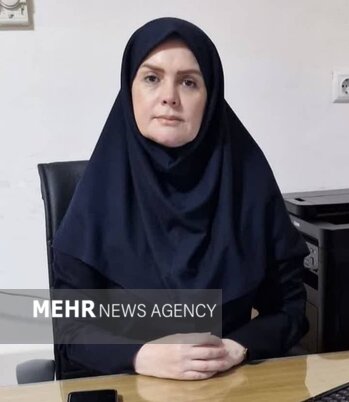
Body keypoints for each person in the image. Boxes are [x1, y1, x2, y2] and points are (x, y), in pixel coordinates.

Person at [52, 17, 309, 381]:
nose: (169, 96)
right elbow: (69, 328)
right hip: (128, 384)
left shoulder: (248, 180)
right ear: (129, 90)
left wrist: (238, 346)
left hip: (228, 384)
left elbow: (290, 309)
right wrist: (142, 356)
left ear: (210, 96)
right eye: (151, 78)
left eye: (188, 82)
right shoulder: (98, 193)